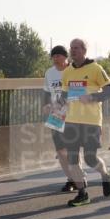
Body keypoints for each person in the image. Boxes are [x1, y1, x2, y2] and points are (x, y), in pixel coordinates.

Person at [59, 38, 110, 207]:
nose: (73, 50)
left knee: (90, 158)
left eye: (76, 48)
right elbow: (64, 96)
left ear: (84, 50)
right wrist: (54, 107)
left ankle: (106, 175)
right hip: (71, 121)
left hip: (91, 122)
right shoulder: (67, 72)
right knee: (73, 159)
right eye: (71, 48)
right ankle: (82, 194)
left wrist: (92, 97)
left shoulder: (96, 69)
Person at [42, 45, 77, 192]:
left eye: (58, 56)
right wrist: (45, 105)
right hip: (56, 114)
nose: (55, 59)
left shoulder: (74, 70)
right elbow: (46, 92)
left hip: (74, 113)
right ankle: (71, 179)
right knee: (60, 150)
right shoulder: (49, 73)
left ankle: (78, 177)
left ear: (65, 57)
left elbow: (78, 91)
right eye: (53, 56)